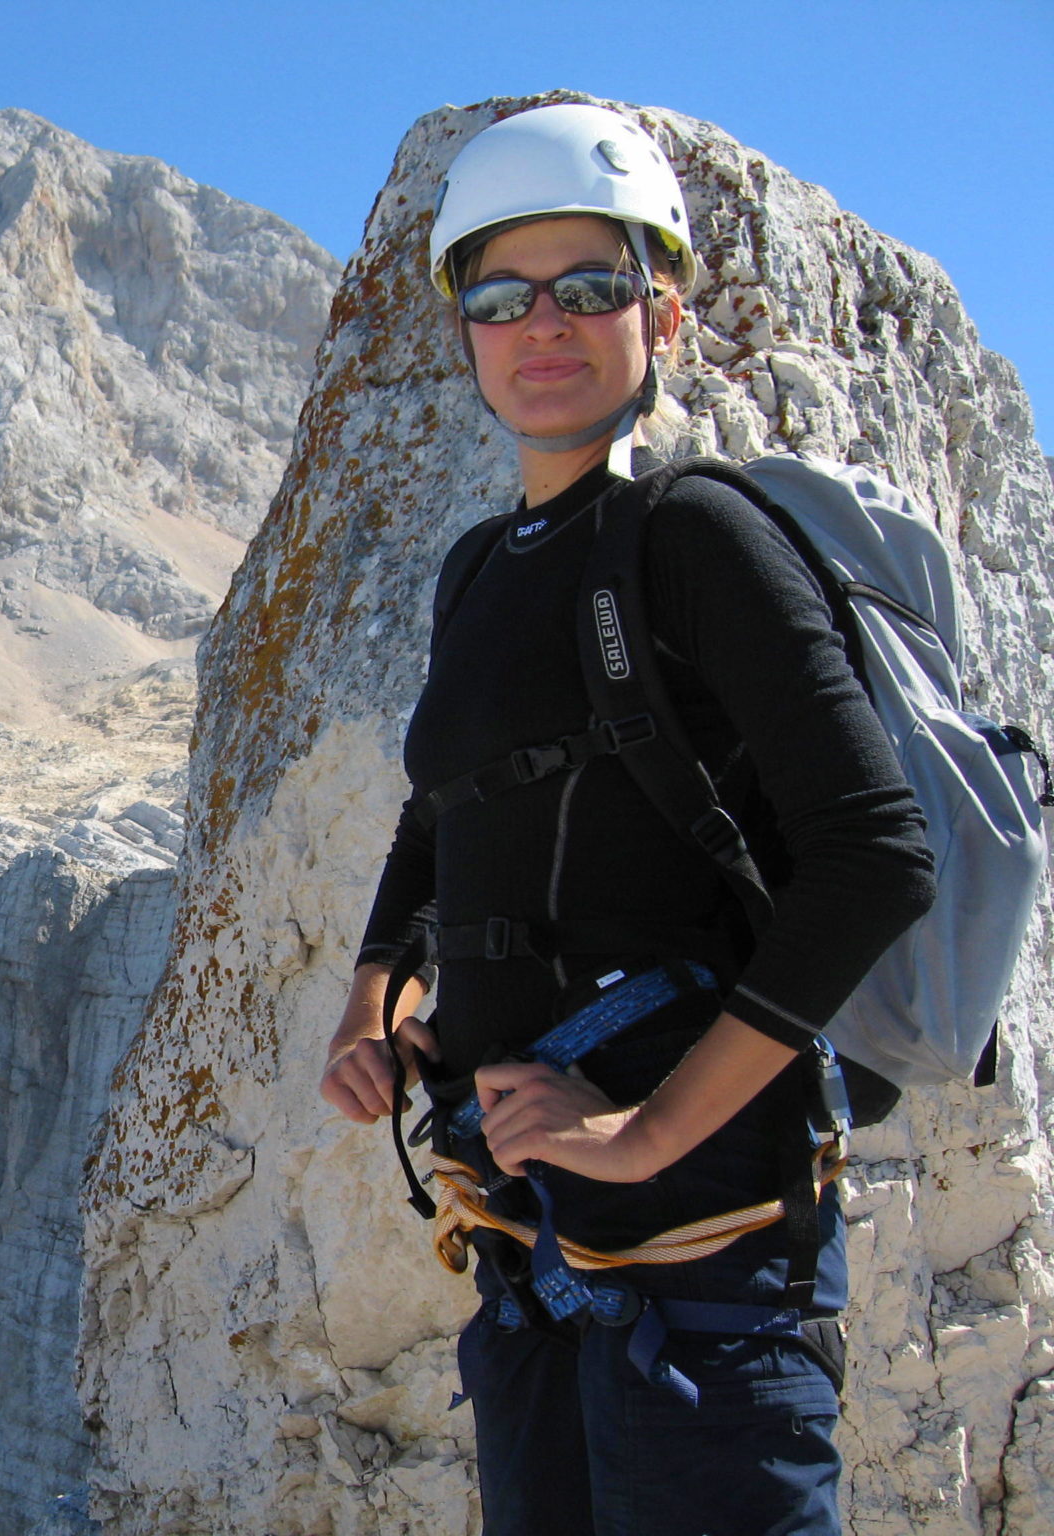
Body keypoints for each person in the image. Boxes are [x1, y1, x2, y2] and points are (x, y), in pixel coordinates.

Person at [317, 102, 935, 1535]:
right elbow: (443, 820)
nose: (547, 324)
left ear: (660, 310)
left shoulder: (696, 538)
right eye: (502, 295)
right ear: (462, 329)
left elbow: (873, 853)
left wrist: (650, 1129)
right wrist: (375, 999)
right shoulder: (477, 571)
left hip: (708, 1262)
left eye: (591, 288)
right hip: (534, 1249)